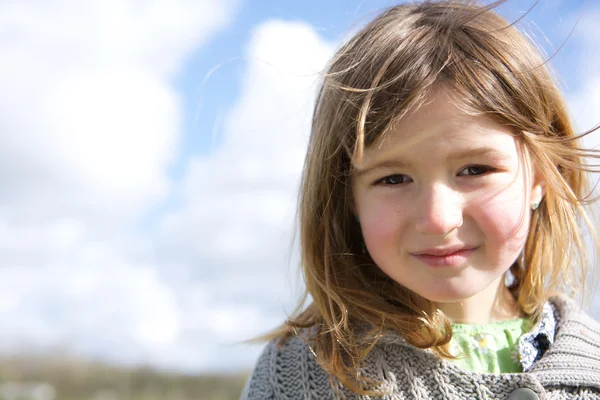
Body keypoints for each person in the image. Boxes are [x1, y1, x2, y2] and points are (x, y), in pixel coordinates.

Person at [241, 1, 600, 398]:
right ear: (347, 198)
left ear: (541, 176)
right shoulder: (301, 374)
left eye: (475, 170)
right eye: (394, 178)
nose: (437, 218)